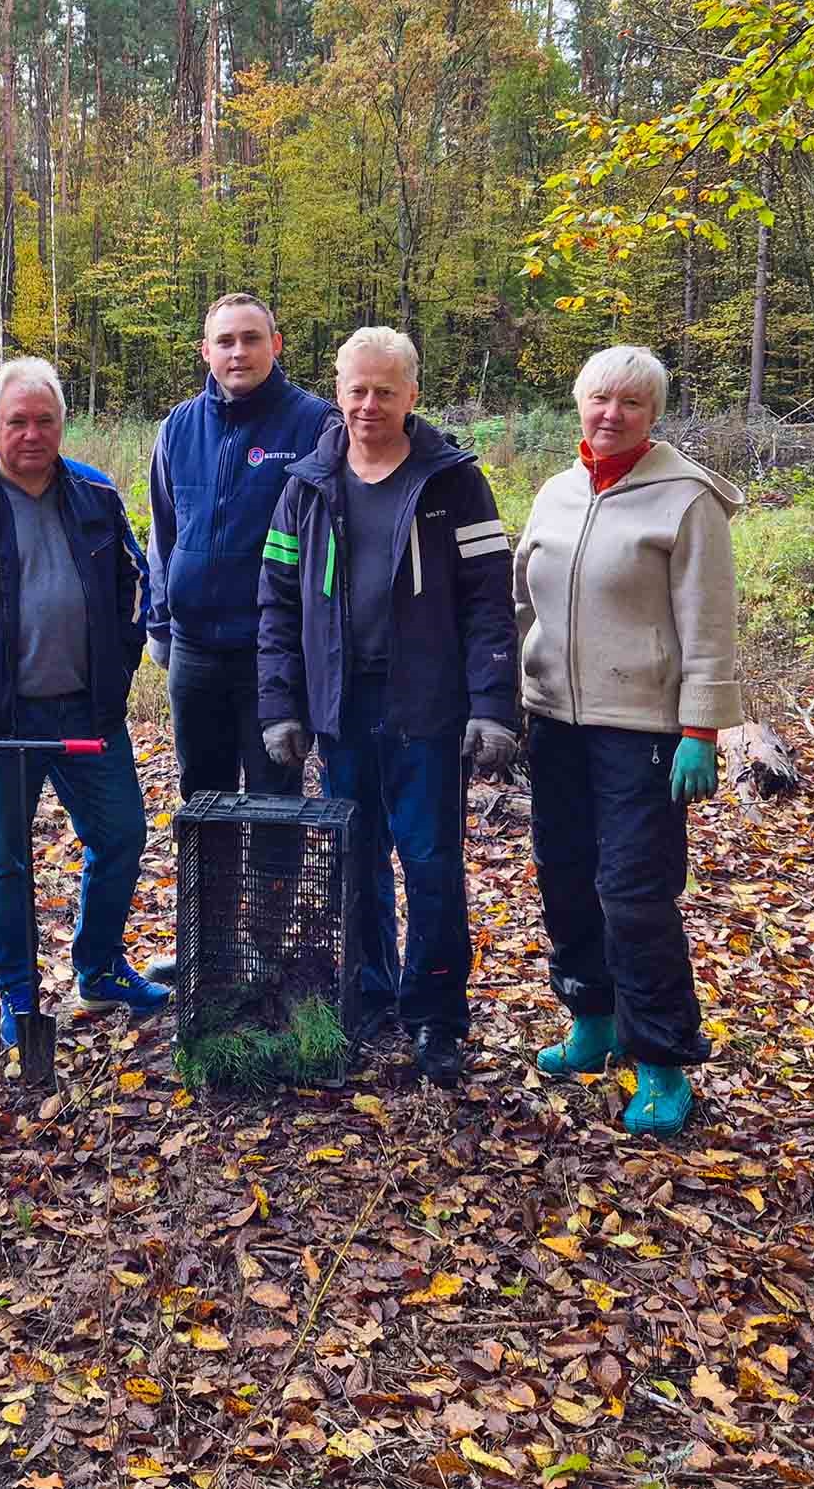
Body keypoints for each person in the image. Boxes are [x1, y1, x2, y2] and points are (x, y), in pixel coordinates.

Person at [256, 326, 519, 1086]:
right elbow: (275, 604)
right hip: (340, 710)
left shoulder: (452, 481)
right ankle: (369, 992)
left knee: (432, 865)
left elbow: (487, 602)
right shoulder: (306, 482)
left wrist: (492, 703)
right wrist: (282, 705)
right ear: (337, 391)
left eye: (385, 390)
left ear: (412, 394)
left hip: (426, 712)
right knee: (355, 862)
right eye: (356, 389)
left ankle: (435, 1016)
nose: (369, 404)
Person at [514, 344, 742, 1137]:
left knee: (634, 893)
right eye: (599, 399)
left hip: (643, 729)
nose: (611, 414)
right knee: (565, 876)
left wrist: (702, 728)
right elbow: (520, 603)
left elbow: (710, 624)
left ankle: (662, 1058)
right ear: (578, 403)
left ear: (654, 414)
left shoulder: (686, 500)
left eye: (631, 404)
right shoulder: (556, 493)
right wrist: (495, 696)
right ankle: (593, 1019)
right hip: (555, 720)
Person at [0, 357, 169, 1041]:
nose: (31, 433)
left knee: (120, 837)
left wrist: (115, 667)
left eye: (44, 419)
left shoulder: (96, 495)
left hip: (89, 715)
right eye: (16, 420)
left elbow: (134, 585)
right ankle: (18, 994)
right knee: (5, 858)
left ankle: (100, 966)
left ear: (62, 423)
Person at [140, 293, 334, 982]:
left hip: (274, 656)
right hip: (195, 650)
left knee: (275, 799)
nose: (238, 352)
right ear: (206, 351)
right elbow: (163, 534)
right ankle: (209, 939)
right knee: (204, 799)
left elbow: (329, 541)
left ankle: (265, 946)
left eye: (251, 339)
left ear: (275, 344)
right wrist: (161, 624)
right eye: (224, 340)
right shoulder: (179, 427)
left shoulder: (314, 423)